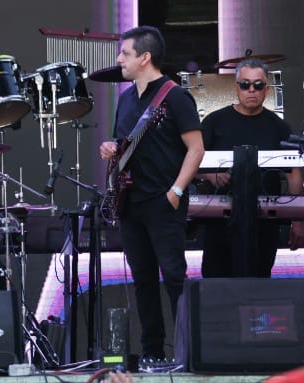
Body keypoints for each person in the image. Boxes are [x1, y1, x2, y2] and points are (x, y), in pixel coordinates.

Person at [99, 26, 203, 363]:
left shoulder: (175, 96)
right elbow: (123, 144)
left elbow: (196, 149)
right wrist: (110, 149)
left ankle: (188, 352)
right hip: (131, 202)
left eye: (125, 54)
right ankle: (152, 353)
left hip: (163, 200)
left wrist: (176, 190)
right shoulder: (127, 98)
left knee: (174, 276)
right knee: (142, 279)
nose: (119, 60)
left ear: (145, 57)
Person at [197, 58, 304, 277]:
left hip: (264, 222)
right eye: (245, 84)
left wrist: (298, 219)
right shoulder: (214, 122)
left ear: (266, 90)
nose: (251, 90)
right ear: (236, 87)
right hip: (220, 221)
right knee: (216, 284)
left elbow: (294, 173)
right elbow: (192, 160)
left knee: (260, 283)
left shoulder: (279, 126)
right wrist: (210, 176)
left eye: (258, 85)